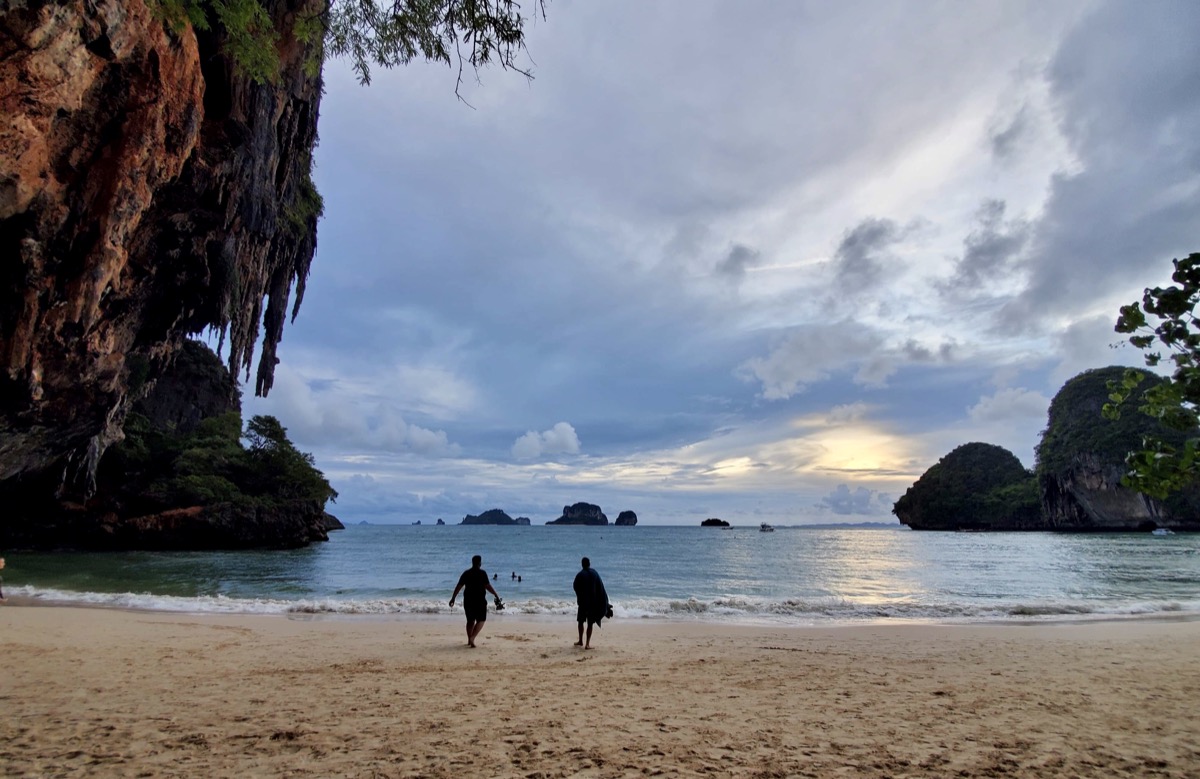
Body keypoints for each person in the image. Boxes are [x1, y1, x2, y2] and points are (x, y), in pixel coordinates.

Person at [449, 555, 499, 648]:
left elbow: (459, 586)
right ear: (480, 563)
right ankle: (473, 638)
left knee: (470, 621)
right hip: (480, 600)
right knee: (481, 619)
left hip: (468, 600)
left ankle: (469, 639)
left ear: (472, 562)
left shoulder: (466, 573)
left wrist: (453, 598)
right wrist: (495, 594)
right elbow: (488, 586)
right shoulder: (482, 573)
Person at [572, 556, 610, 649]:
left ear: (582, 564)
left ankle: (580, 640)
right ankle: (587, 644)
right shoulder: (594, 573)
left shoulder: (580, 575)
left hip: (583, 603)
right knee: (590, 624)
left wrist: (579, 597)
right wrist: (605, 602)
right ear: (589, 564)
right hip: (593, 603)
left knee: (580, 621)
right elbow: (601, 588)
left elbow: (575, 587)